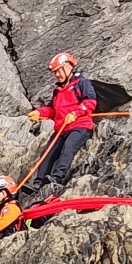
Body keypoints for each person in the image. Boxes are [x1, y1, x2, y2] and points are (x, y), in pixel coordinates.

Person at [25, 52, 96, 202]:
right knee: (48, 152)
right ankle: (39, 182)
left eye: (59, 70)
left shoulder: (81, 83)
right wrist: (39, 112)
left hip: (80, 126)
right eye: (55, 72)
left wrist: (76, 114)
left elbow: (90, 101)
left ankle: (57, 178)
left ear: (68, 66)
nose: (57, 74)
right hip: (62, 128)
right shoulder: (58, 91)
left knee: (68, 147)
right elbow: (52, 110)